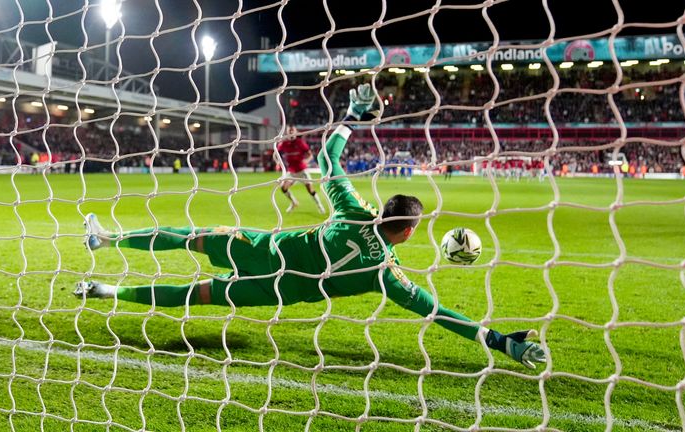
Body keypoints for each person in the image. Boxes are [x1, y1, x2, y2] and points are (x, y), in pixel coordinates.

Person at [74, 85, 546, 369]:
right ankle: (105, 291)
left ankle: (108, 238)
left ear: (384, 210)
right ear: (405, 232)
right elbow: (438, 313)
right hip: (272, 292)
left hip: (260, 250)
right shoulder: (387, 273)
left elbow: (329, 157)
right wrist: (501, 342)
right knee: (195, 294)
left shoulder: (352, 210)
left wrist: (356, 116)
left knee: (190, 237)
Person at [276, 125, 325, 213]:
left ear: (296, 132)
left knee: (310, 190)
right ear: (287, 132)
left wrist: (306, 161)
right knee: (283, 188)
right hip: (291, 171)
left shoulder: (300, 142)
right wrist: (278, 162)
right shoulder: (284, 143)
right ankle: (294, 202)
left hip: (302, 170)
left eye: (292, 131)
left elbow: (310, 155)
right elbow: (276, 153)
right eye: (289, 131)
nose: (291, 132)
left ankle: (319, 205)